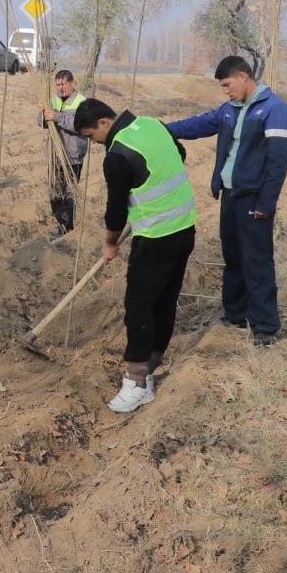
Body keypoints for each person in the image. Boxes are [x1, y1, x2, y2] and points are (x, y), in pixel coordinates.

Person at [74, 98, 196, 413]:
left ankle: (138, 382)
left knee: (139, 306)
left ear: (103, 123)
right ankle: (151, 365)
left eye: (91, 135)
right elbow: (179, 155)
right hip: (185, 228)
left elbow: (115, 211)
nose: (93, 142)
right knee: (165, 300)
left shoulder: (117, 155)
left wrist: (110, 243)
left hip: (155, 238)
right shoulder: (152, 124)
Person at [164, 56, 287, 346]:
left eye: (227, 85)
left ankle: (265, 327)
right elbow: (199, 124)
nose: (226, 90)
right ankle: (235, 314)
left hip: (254, 197)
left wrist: (266, 204)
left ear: (243, 77)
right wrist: (163, 129)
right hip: (230, 195)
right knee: (233, 257)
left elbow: (277, 164)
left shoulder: (275, 110)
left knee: (256, 260)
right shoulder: (229, 109)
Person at [36, 69, 88, 234]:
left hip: (72, 157)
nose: (60, 88)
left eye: (63, 84)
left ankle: (67, 231)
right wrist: (43, 113)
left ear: (73, 83)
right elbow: (42, 123)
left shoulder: (82, 102)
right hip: (55, 156)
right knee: (55, 194)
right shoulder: (54, 101)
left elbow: (80, 125)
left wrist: (57, 116)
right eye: (58, 85)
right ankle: (61, 229)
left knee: (67, 195)